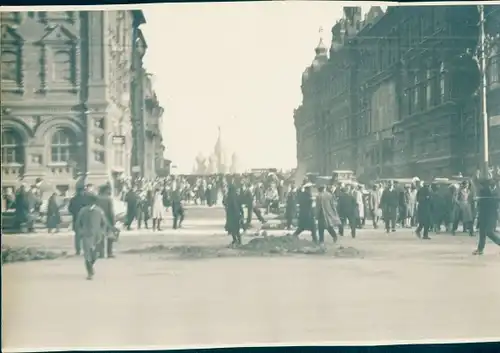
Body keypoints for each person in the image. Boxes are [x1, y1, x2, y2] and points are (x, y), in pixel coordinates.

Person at [74, 193, 114, 280]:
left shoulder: (99, 211)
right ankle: (90, 272)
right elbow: (78, 223)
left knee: (95, 254)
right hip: (87, 235)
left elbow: (104, 223)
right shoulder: (83, 211)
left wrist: (103, 231)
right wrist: (80, 231)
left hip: (97, 235)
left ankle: (90, 265)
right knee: (87, 254)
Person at [473, 178, 500, 255]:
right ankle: (480, 249)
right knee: (482, 232)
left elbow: (496, 202)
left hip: (492, 214)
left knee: (489, 231)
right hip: (483, 214)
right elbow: (480, 203)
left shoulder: (497, 191)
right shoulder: (483, 190)